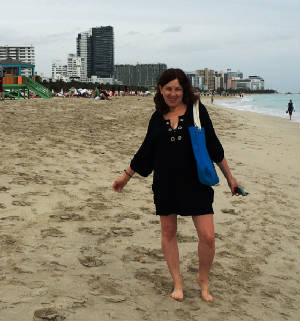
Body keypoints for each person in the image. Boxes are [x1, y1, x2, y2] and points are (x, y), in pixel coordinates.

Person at [112, 68, 242, 302]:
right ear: (161, 90)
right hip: (166, 183)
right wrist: (125, 177)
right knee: (169, 232)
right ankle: (177, 281)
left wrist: (231, 179)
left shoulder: (197, 112)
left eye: (177, 89)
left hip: (196, 184)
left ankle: (203, 279)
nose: (173, 93)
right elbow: (145, 153)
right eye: (168, 88)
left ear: (185, 90)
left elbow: (214, 146)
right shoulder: (156, 118)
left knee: (208, 236)